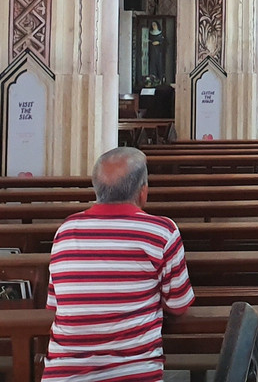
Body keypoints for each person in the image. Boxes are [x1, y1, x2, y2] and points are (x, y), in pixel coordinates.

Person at [43, 147, 194, 382]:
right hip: (134, 374)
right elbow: (178, 306)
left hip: (65, 375)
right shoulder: (162, 231)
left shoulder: (65, 230)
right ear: (142, 192)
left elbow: (57, 305)